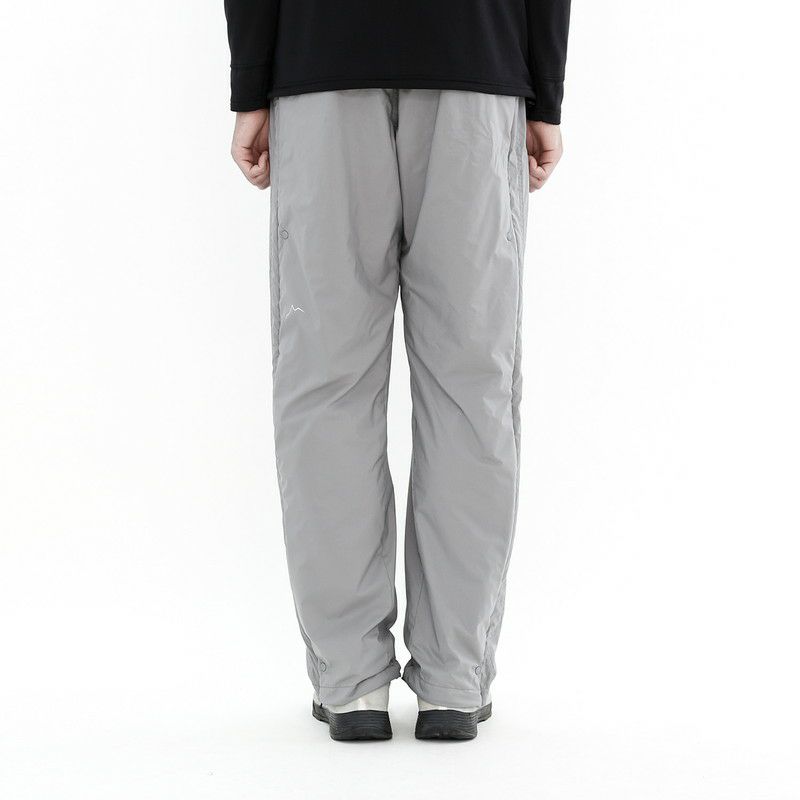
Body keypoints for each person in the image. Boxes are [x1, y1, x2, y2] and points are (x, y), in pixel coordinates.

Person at [224, 0, 570, 741]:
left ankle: (351, 685)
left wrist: (252, 83)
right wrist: (544, 89)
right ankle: (453, 682)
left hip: (320, 63)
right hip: (477, 59)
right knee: (471, 385)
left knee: (327, 381)